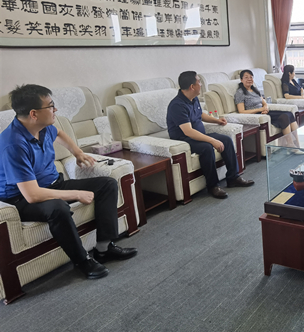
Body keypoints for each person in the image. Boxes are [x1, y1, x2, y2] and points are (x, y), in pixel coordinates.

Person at [0, 85, 137, 280]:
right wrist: (76, 194)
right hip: (20, 199)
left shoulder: (42, 127)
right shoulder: (13, 144)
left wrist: (78, 153)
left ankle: (104, 248)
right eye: (51, 106)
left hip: (52, 184)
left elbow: (59, 134)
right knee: (58, 208)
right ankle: (82, 261)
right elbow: (32, 195)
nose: (55, 109)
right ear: (33, 114)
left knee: (107, 184)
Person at [167, 71, 254, 200]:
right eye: (199, 81)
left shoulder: (193, 98)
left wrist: (217, 121)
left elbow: (200, 114)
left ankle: (233, 178)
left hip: (199, 135)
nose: (201, 84)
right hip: (184, 140)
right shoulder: (177, 105)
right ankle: (213, 186)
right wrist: (212, 140)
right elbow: (188, 131)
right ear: (192, 86)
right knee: (207, 148)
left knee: (226, 140)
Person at [235, 69, 302, 150]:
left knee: (289, 114)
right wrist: (260, 109)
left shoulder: (254, 89)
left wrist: (265, 108)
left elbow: (264, 102)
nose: (249, 79)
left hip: (263, 112)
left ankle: (298, 143)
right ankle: (290, 145)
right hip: (256, 115)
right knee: (284, 116)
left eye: (251, 77)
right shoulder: (240, 92)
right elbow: (241, 111)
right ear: (241, 80)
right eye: (246, 77)